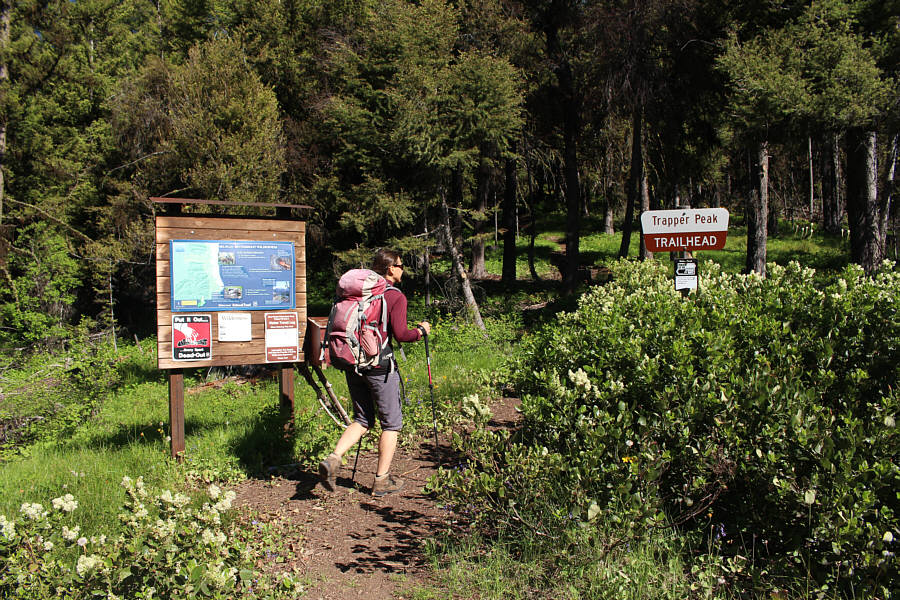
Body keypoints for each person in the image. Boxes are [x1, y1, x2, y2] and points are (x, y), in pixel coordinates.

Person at [318, 249, 431, 496]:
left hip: (353, 363)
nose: (403, 270)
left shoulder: (356, 295)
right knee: (391, 423)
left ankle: (334, 458)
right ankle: (381, 481)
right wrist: (421, 331)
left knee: (362, 419)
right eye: (400, 265)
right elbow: (401, 335)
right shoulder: (394, 297)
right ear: (391, 269)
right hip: (380, 367)